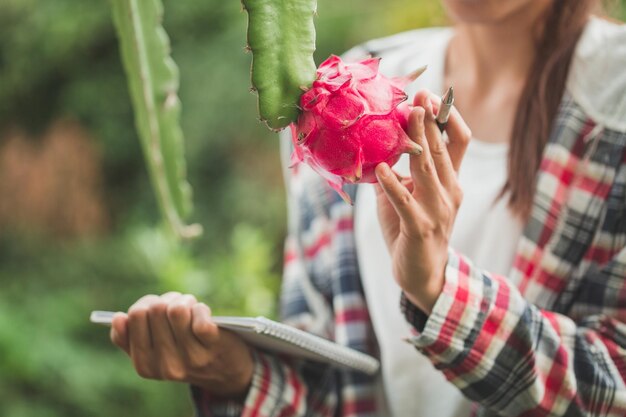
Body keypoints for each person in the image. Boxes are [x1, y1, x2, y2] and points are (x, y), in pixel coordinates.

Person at [110, 1, 626, 416]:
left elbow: (613, 388)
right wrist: (235, 373)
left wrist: (440, 294)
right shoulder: (344, 94)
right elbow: (335, 389)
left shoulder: (617, 101)